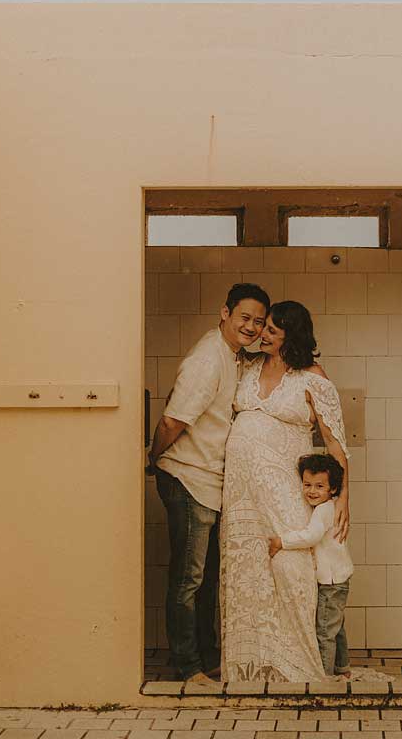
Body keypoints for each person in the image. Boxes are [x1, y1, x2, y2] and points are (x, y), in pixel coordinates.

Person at [220, 300, 350, 683]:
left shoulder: (312, 376)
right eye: (265, 328)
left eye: (273, 330)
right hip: (243, 495)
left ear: (291, 336)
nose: (263, 334)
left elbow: (336, 444)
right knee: (249, 571)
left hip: (286, 491)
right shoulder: (249, 366)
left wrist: (343, 498)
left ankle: (301, 659)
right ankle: (255, 664)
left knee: (291, 567)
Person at [149, 282, 270, 684]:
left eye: (258, 321)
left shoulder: (230, 353)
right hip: (188, 478)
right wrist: (155, 458)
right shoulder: (208, 359)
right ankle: (188, 667)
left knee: (204, 582)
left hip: (208, 482)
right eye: (244, 318)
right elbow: (172, 420)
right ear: (225, 313)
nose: (251, 327)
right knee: (189, 580)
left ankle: (203, 659)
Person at [268, 453, 353, 676]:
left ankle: (322, 676)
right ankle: (342, 668)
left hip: (331, 581)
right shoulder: (330, 506)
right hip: (340, 578)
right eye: (307, 485)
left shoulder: (324, 511)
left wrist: (281, 541)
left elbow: (311, 536)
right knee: (336, 626)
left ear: (332, 489)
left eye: (319, 486)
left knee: (325, 630)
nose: (312, 491)